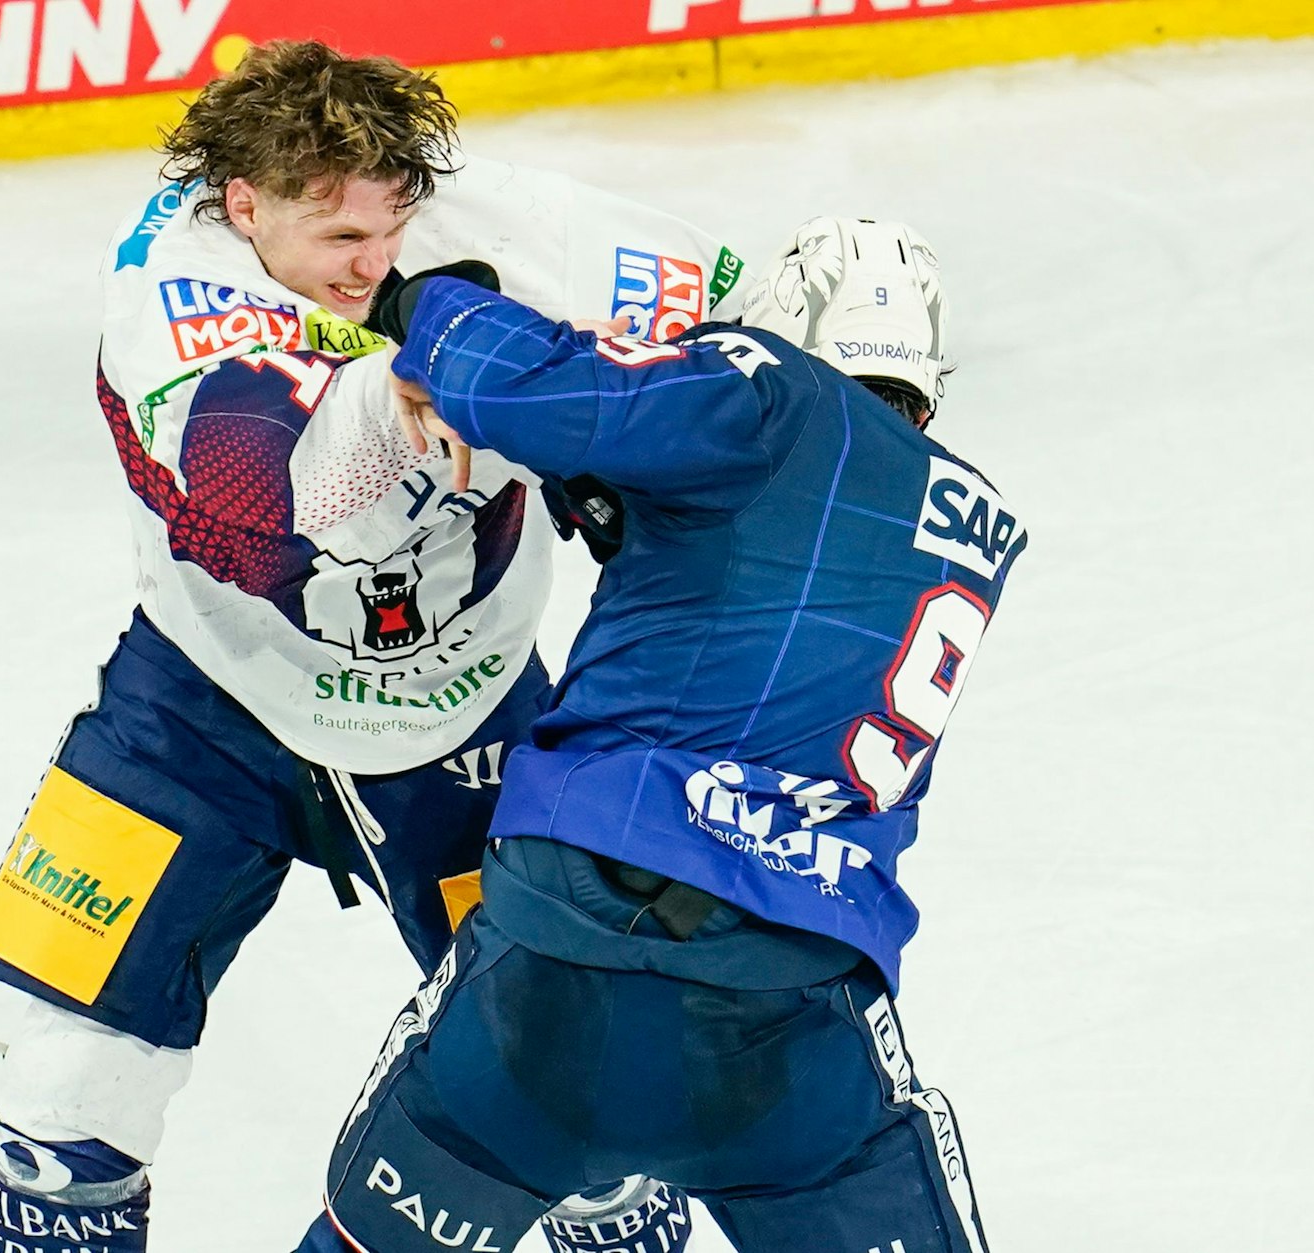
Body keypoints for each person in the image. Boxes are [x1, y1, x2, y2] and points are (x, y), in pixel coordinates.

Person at [0, 40, 757, 1253]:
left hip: (469, 714)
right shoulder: (168, 290)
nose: (375, 262)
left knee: (586, 1110)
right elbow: (290, 479)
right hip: (201, 710)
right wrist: (505, 386)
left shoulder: (502, 218)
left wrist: (838, 365)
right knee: (66, 1088)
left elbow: (743, 311)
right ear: (244, 206)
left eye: (392, 225)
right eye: (339, 240)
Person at [295, 218, 1026, 1253]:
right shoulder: (982, 521)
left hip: (564, 929)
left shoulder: (768, 390)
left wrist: (416, 306)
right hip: (790, 1002)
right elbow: (754, 577)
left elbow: (543, 385)